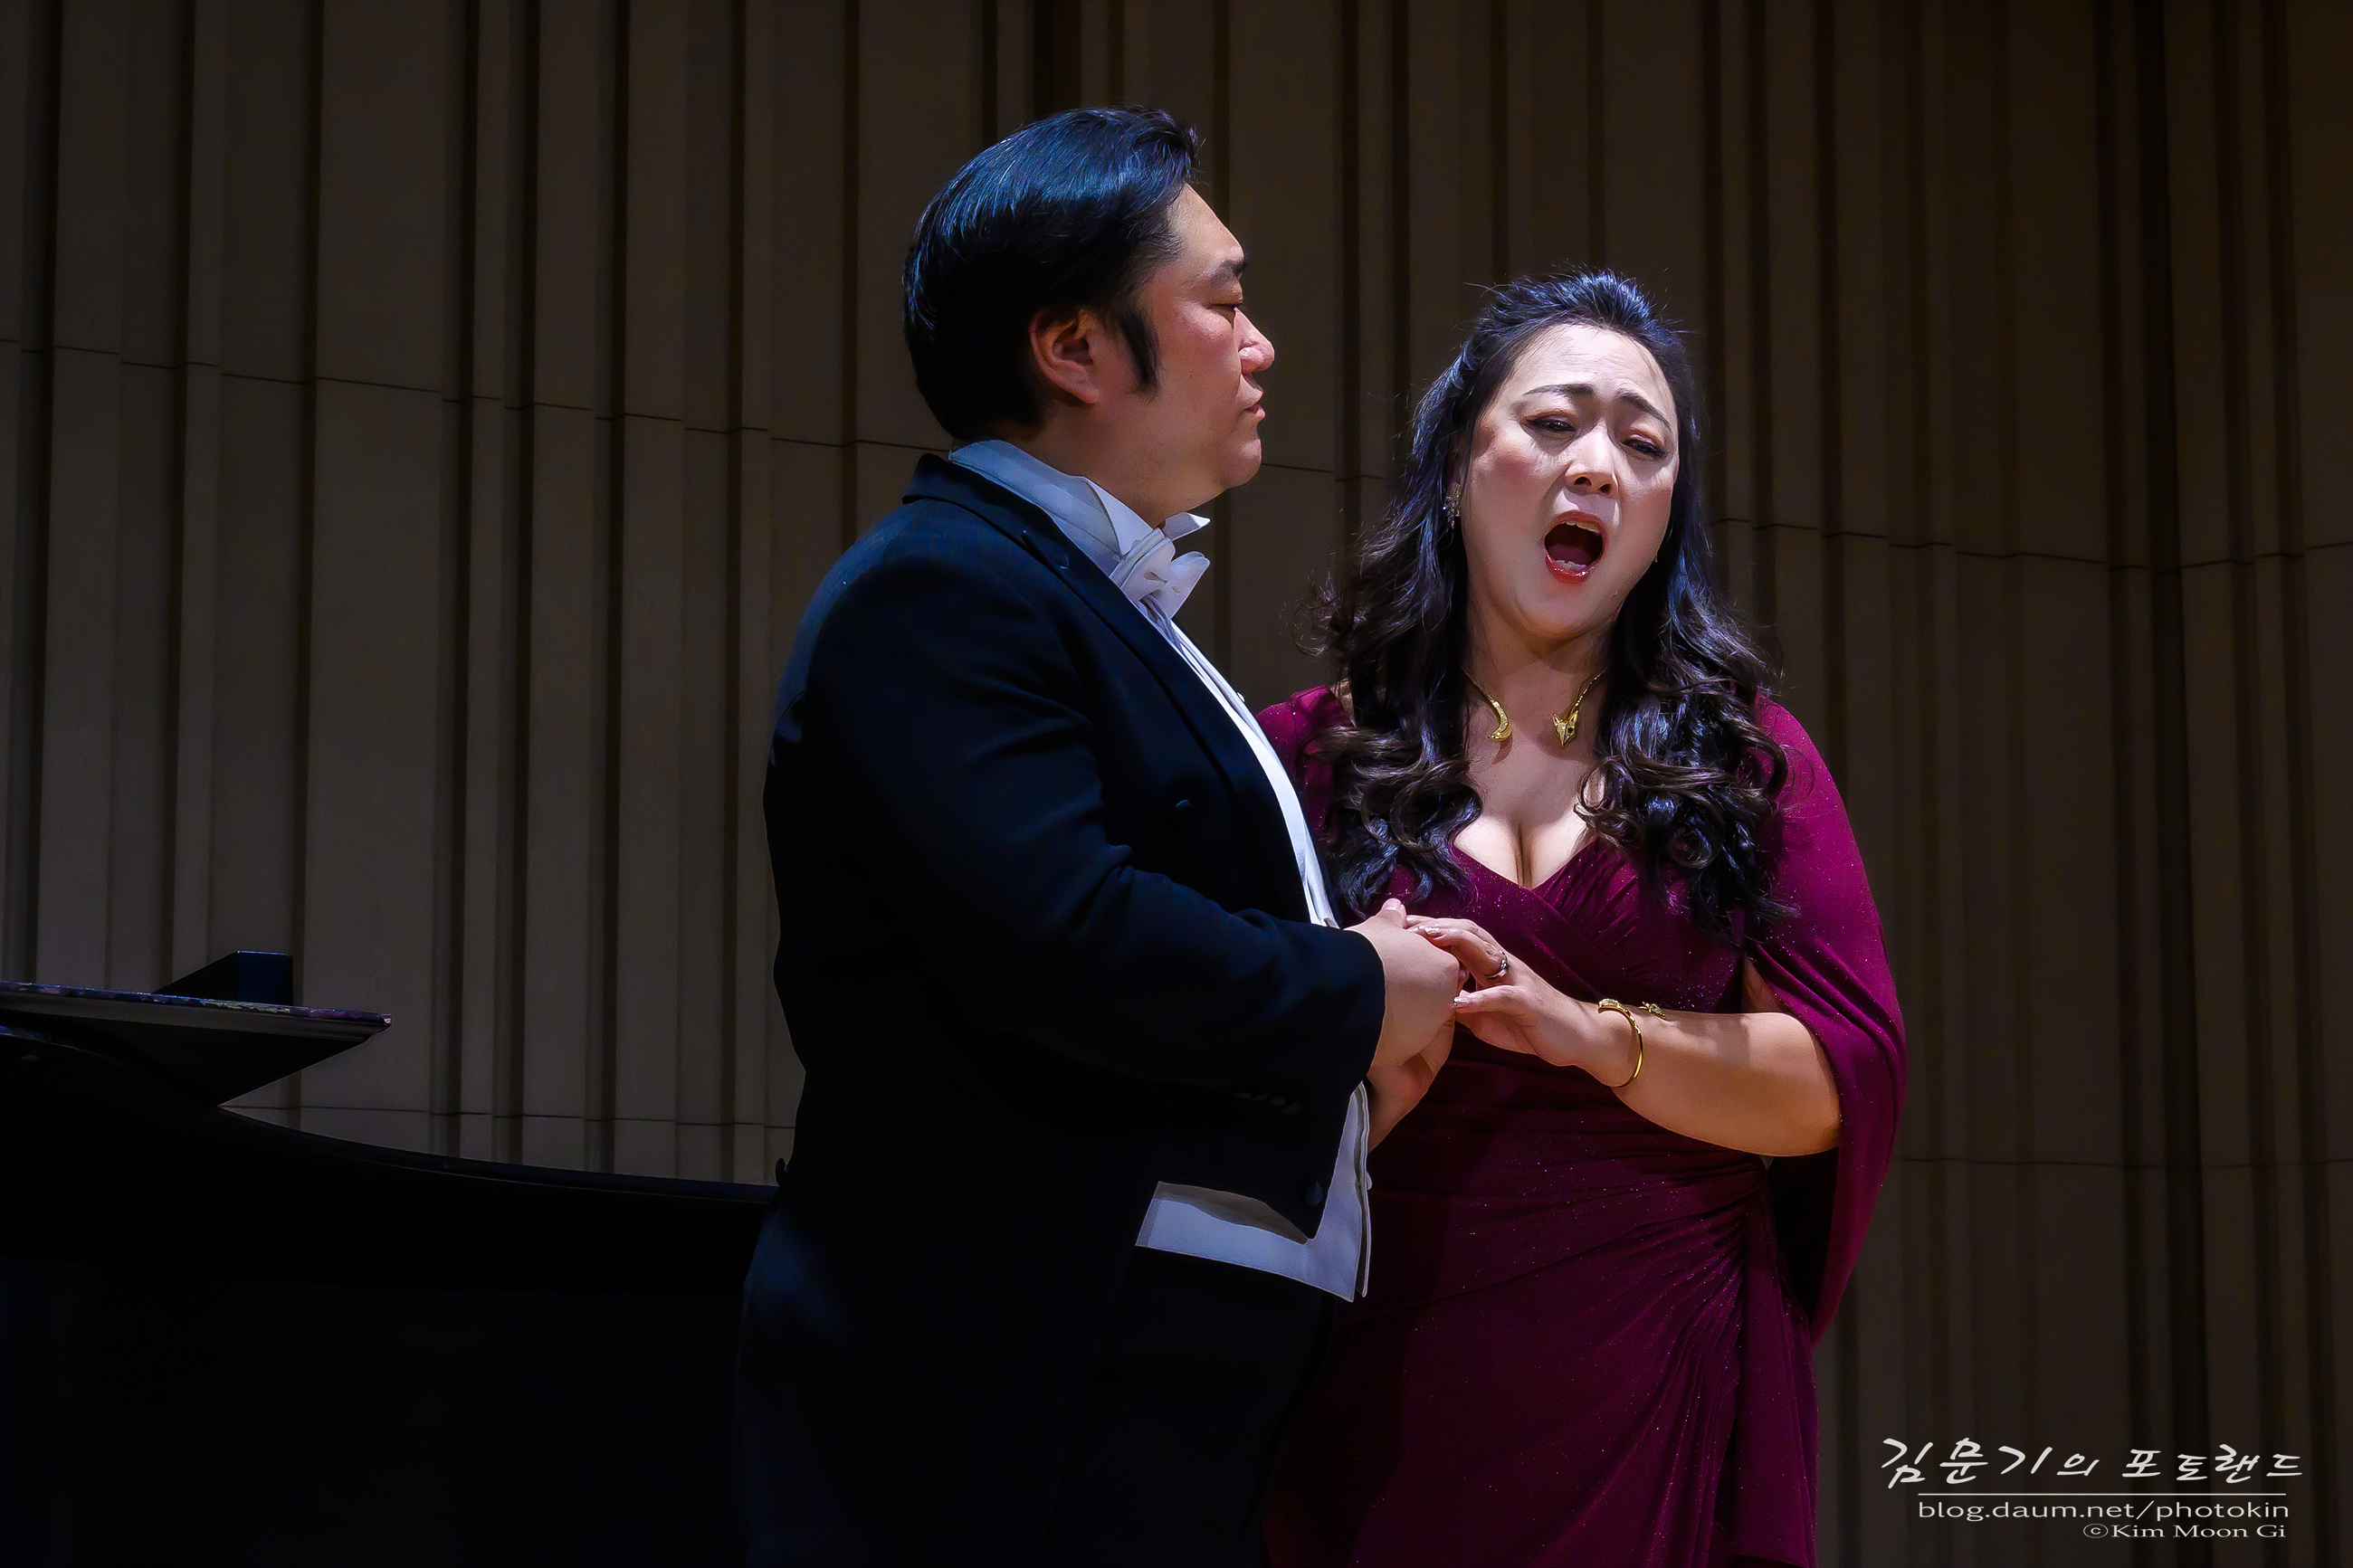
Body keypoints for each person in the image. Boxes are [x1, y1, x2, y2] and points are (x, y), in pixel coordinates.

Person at [735, 107, 1464, 1568]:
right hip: (1022, 1363)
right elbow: (1065, 934)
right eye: (1225, 302)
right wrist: (1356, 989)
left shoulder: (1067, 591)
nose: (1261, 345)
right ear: (1074, 347)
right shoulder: (940, 587)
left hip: (1130, 1353)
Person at [1255, 271, 1906, 1568]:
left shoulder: (1748, 763)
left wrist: (1595, 1034)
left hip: (1658, 1379)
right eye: (1555, 424)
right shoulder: (1302, 757)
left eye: (1644, 446)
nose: (1598, 466)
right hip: (1367, 1377)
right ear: (1456, 465)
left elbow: (1841, 1081)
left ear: (1665, 519)